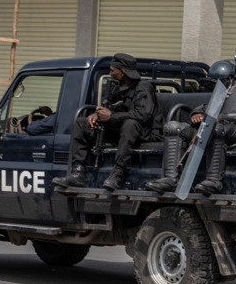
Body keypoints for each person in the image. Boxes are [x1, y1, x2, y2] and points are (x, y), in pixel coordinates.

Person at [146, 39, 236, 195]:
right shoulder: (232, 83)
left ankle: (213, 180)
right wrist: (197, 114)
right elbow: (211, 104)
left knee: (217, 128)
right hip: (218, 125)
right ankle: (171, 178)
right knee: (173, 127)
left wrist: (223, 117)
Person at [53, 53, 158, 191]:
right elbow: (109, 109)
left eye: (112, 70)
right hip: (122, 132)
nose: (110, 73)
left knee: (130, 124)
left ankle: (118, 173)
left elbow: (143, 115)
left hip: (145, 132)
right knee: (81, 122)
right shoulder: (116, 87)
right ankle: (78, 173)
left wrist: (111, 116)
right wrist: (96, 115)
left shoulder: (143, 87)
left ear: (122, 72)